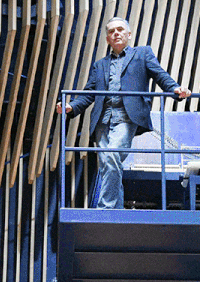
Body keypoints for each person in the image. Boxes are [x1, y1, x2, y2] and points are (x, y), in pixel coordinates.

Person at [55, 18, 191, 208]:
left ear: (128, 34)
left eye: (120, 30)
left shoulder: (142, 54)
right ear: (108, 39)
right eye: (111, 31)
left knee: (111, 156)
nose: (116, 33)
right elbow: (89, 92)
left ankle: (105, 209)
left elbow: (160, 75)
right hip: (103, 119)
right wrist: (71, 107)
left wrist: (175, 89)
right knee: (109, 167)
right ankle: (117, 213)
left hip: (127, 117)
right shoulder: (100, 64)